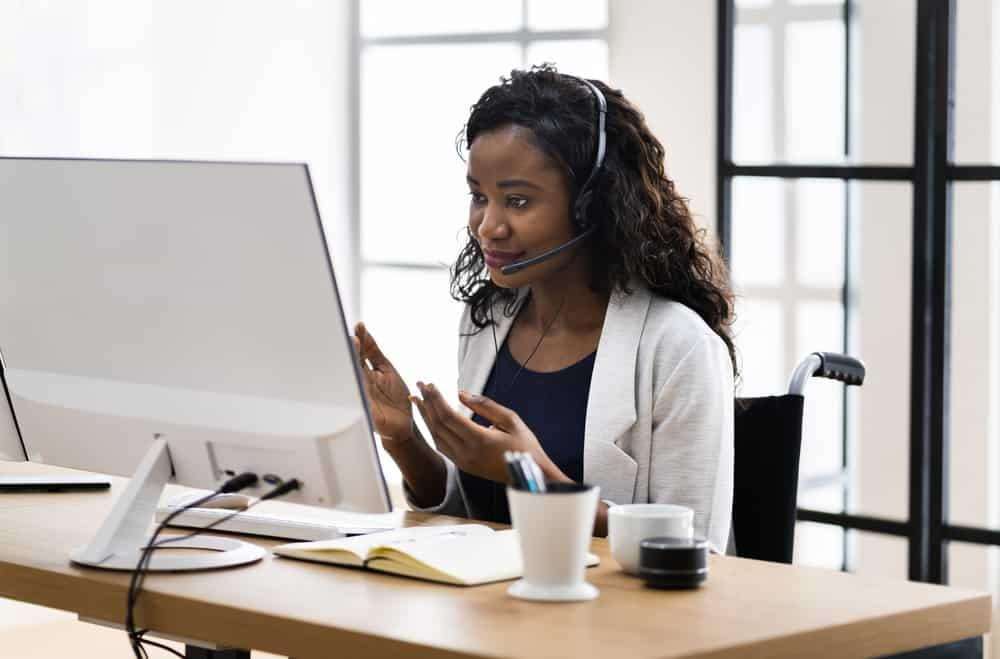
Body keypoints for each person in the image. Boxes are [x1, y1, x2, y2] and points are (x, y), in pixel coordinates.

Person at [353, 65, 736, 551]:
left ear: (591, 205)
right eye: (478, 196)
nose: (487, 226)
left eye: (516, 201)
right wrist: (404, 442)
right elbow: (475, 519)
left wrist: (534, 478)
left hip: (615, 620)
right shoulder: (485, 321)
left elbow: (695, 549)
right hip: (494, 611)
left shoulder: (678, 347)